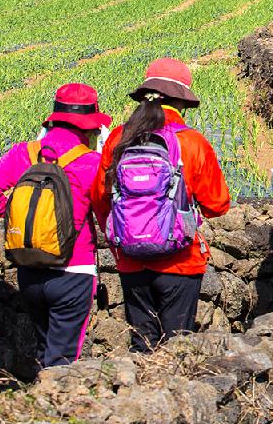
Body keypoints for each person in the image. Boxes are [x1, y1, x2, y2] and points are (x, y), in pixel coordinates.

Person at [91, 58, 231, 352]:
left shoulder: (119, 137)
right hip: (180, 260)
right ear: (181, 102)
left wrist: (125, 231)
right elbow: (218, 204)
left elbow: (100, 197)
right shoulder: (191, 141)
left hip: (130, 259)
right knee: (177, 346)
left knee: (142, 344)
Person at [0, 84, 111, 370]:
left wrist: (11, 216)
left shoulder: (23, 153)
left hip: (29, 267)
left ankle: (35, 402)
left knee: (42, 347)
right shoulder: (91, 163)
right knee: (63, 359)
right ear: (89, 126)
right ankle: (54, 411)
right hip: (74, 270)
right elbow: (105, 216)